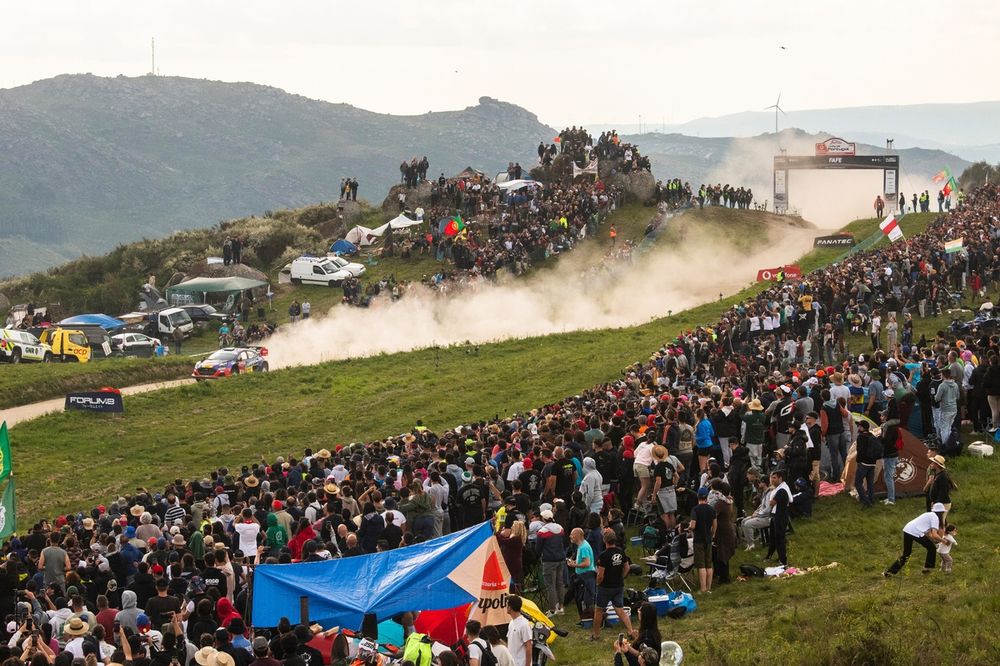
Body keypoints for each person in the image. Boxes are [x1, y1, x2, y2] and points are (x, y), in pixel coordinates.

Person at [592, 528, 635, 641]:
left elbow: (601, 574)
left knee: (599, 610)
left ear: (604, 540)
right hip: (618, 586)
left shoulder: (603, 555)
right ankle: (630, 631)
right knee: (620, 610)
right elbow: (627, 567)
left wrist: (598, 583)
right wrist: (621, 577)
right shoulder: (620, 551)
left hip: (605, 587)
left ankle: (595, 635)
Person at [884, 503, 946, 577]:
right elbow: (935, 535)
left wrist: (934, 540)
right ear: (941, 512)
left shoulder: (929, 514)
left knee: (906, 554)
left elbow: (929, 534)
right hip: (915, 531)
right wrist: (944, 541)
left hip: (907, 529)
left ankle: (889, 573)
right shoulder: (935, 518)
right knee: (931, 548)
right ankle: (927, 568)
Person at [534, 509, 566, 615]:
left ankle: (552, 609)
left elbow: (538, 549)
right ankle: (561, 607)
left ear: (543, 519)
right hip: (560, 559)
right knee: (560, 584)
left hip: (549, 560)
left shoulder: (542, 532)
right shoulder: (560, 528)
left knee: (550, 585)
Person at [689, 487, 716, 593]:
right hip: (708, 539)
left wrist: (689, 528)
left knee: (701, 565)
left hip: (698, 540)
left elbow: (693, 525)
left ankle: (703, 588)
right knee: (709, 564)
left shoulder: (695, 509)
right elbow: (715, 524)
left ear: (698, 497)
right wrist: (713, 534)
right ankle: (709, 588)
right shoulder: (711, 509)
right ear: (706, 497)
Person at [568, 527, 596, 617]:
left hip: (586, 576)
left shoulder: (583, 547)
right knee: (581, 598)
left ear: (577, 536)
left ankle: (587, 618)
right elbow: (584, 561)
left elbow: (587, 563)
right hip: (583, 575)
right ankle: (585, 617)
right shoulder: (581, 546)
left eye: (572, 535)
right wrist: (575, 562)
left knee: (586, 599)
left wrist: (574, 565)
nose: (570, 536)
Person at [766, 469, 791, 567]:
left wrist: (772, 500)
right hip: (775, 516)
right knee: (773, 537)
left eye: (774, 478)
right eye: (771, 477)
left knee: (780, 538)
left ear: (780, 478)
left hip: (780, 516)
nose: (772, 480)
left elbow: (771, 502)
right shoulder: (777, 489)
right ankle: (770, 555)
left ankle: (783, 560)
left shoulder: (781, 490)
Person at [854, 420, 881, 508]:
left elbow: (860, 451)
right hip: (872, 463)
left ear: (862, 427)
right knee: (870, 483)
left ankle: (865, 501)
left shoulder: (861, 437)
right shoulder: (872, 436)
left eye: (859, 426)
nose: (858, 428)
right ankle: (871, 500)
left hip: (863, 463)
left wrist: (858, 461)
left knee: (858, 482)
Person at [505, 596, 532, 666]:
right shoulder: (511, 622)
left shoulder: (524, 625)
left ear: (510, 608)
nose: (506, 607)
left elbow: (528, 647)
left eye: (507, 605)